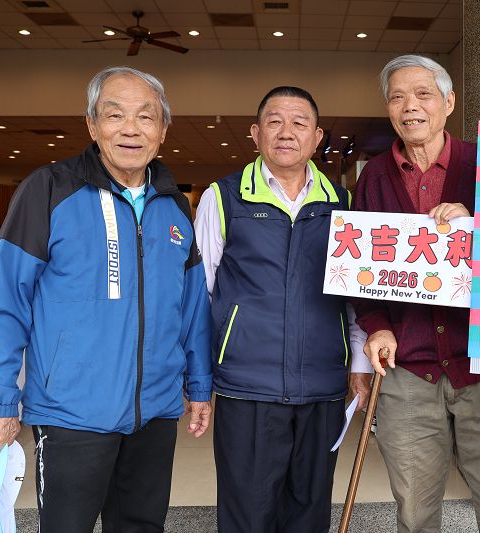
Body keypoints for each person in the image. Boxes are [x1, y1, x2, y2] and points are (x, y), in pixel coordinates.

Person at [0, 66, 213, 533]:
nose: (130, 129)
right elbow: (5, 300)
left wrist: (199, 385)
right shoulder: (50, 190)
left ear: (163, 129)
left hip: (155, 411)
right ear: (92, 125)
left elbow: (193, 306)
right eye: (114, 115)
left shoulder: (174, 204)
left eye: (146, 116)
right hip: (70, 413)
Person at [351, 55, 480, 532]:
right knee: (414, 508)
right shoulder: (373, 177)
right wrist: (377, 326)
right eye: (397, 97)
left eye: (423, 94)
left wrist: (477, 223)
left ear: (449, 102)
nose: (410, 106)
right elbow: (359, 269)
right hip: (407, 369)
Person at [195, 86, 370, 533]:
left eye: (299, 123)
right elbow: (199, 295)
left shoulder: (343, 204)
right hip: (246, 386)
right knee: (248, 515)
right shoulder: (223, 198)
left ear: (317, 137)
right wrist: (198, 379)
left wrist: (359, 362)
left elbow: (355, 296)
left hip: (322, 386)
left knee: (309, 513)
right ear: (256, 134)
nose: (286, 132)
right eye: (274, 122)